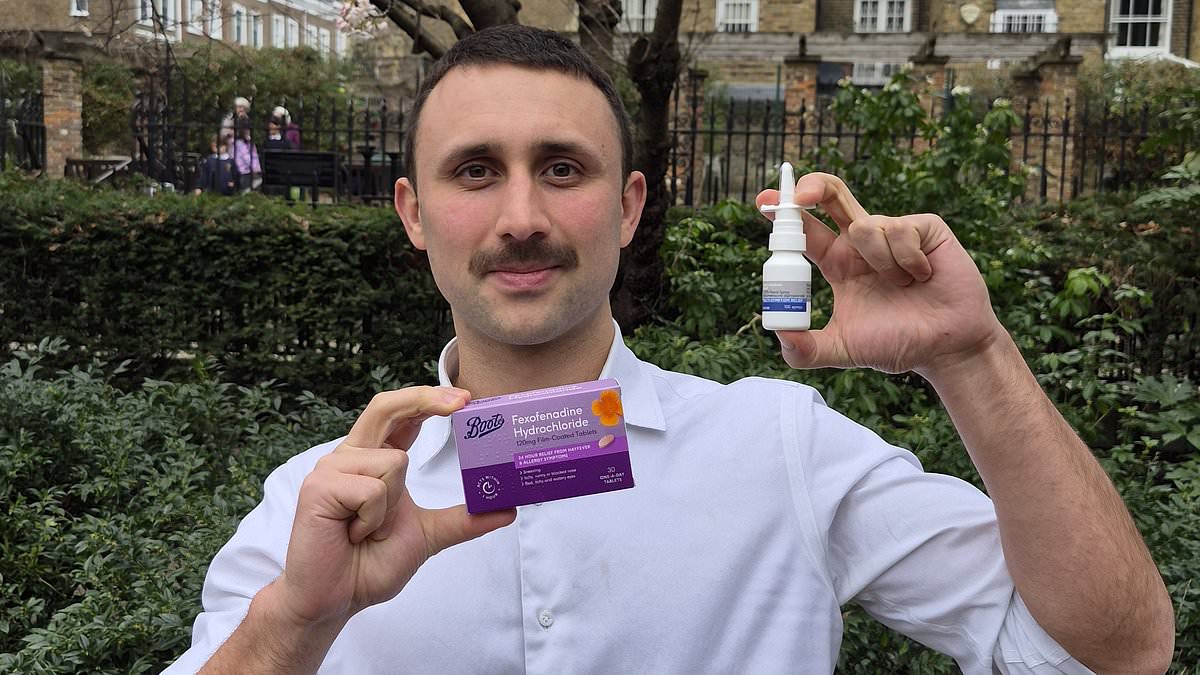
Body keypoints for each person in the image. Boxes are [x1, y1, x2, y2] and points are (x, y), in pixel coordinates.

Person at [165, 26, 1174, 675]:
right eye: (475, 171)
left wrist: (971, 353)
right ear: (414, 213)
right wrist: (295, 623)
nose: (522, 217)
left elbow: (1114, 653)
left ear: (630, 205)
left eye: (563, 169)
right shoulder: (314, 512)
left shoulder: (779, 445)